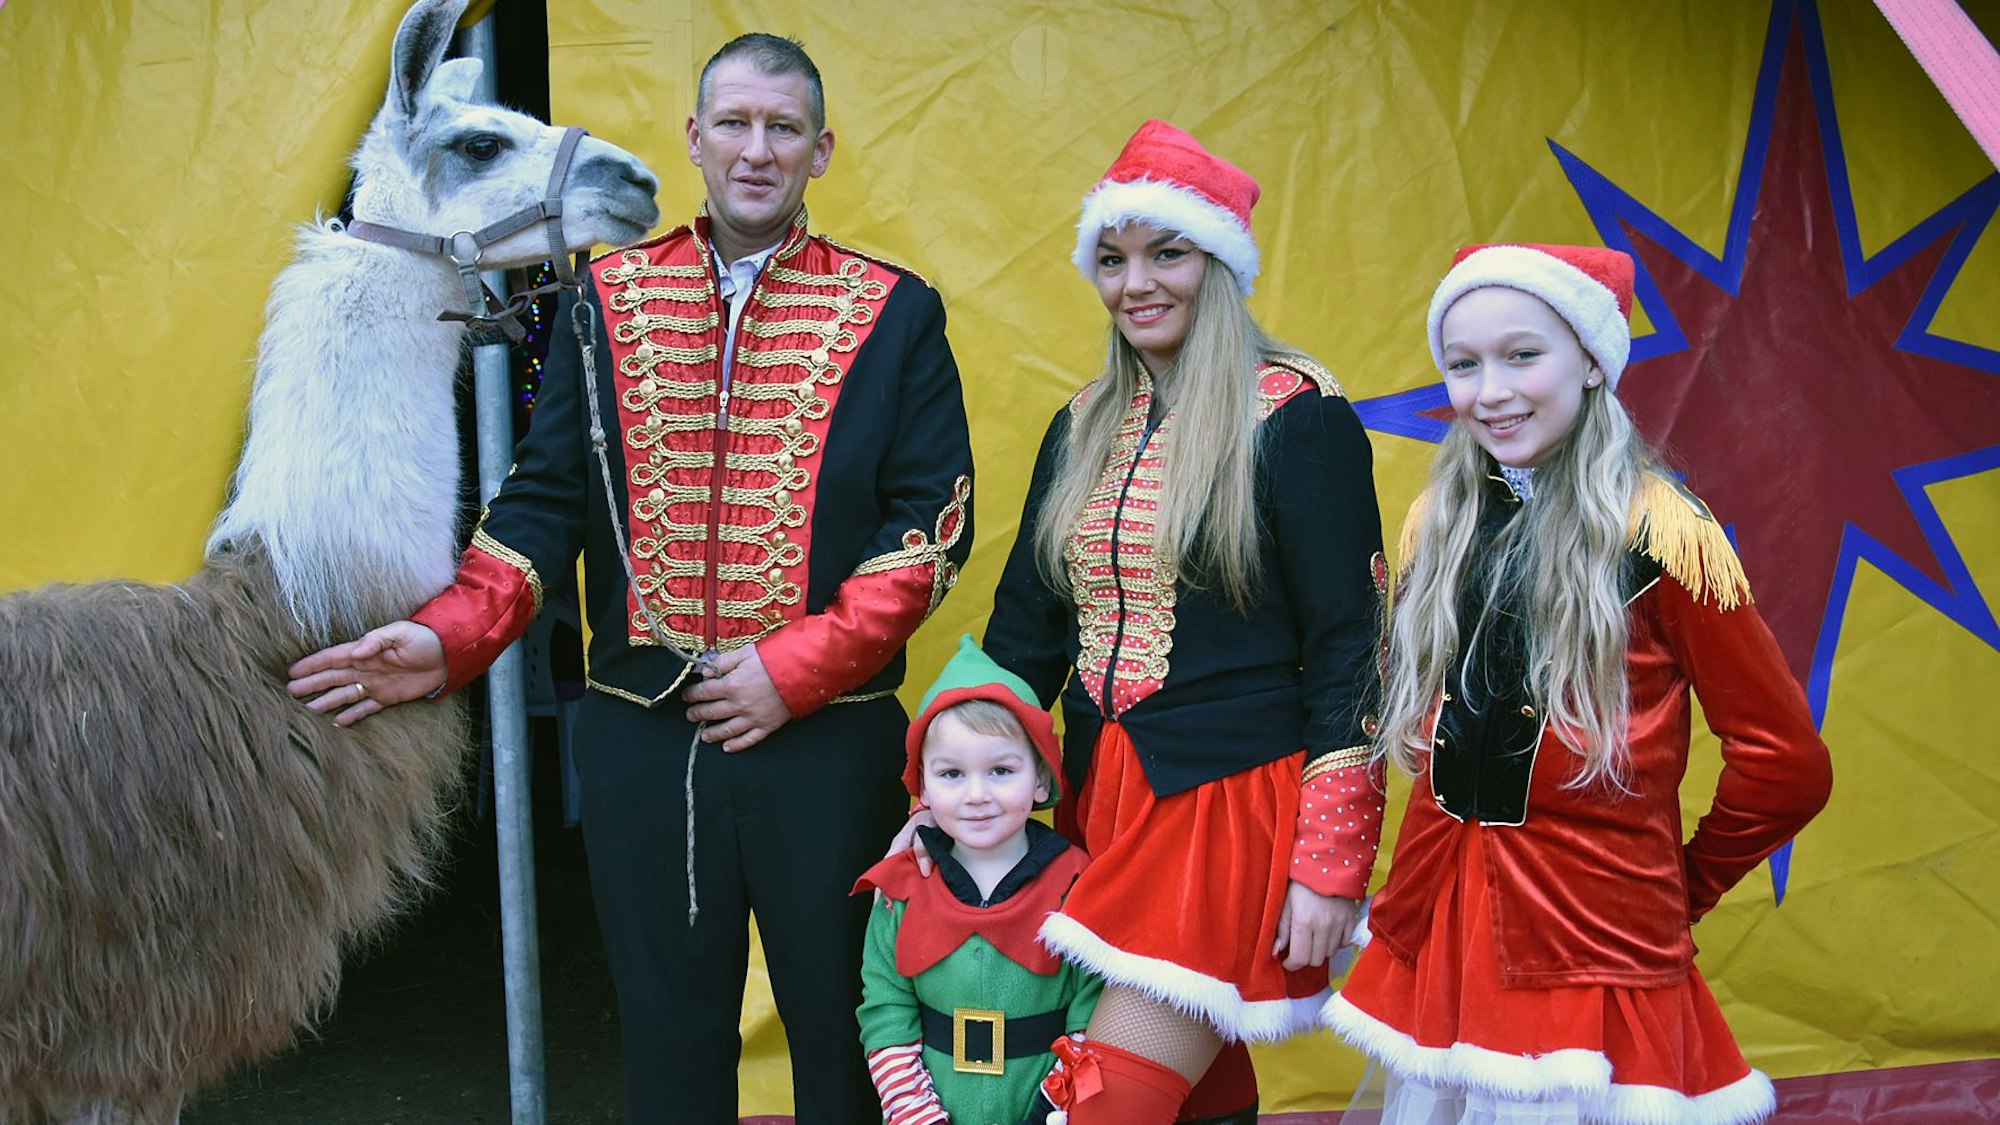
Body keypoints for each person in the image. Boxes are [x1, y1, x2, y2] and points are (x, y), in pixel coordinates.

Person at [287, 34, 973, 1125]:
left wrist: (789, 670)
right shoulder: (605, 300)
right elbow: (541, 505)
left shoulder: (894, 311)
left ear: (821, 150)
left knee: (849, 1044)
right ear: (695, 139)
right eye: (734, 125)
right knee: (664, 1048)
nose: (757, 151)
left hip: (827, 742)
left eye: (781, 129)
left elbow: (928, 530)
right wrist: (446, 637)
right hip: (639, 740)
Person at [926, 119, 1386, 1124]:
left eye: (1165, 253)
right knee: (1194, 1093)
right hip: (1102, 802)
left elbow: (1352, 648)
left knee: (1103, 1102)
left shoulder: (1297, 415)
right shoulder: (1082, 420)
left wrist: (1330, 863)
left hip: (1228, 807)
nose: (1135, 282)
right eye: (1112, 258)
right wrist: (944, 782)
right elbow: (1022, 635)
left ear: (1215, 262)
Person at [1322, 243, 1834, 1124]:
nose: (1491, 390)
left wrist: (1680, 887)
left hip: (1588, 949)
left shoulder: (1661, 533)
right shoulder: (1440, 520)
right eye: (1463, 363)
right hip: (1444, 935)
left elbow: (1787, 763)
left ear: (1594, 360)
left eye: (1523, 354)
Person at [854, 635, 1103, 1125]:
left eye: (1001, 770)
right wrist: (916, 1115)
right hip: (932, 1108)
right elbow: (885, 1008)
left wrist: (1055, 1110)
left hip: (1048, 1109)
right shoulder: (899, 888)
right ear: (922, 786)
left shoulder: (1079, 882)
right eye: (951, 775)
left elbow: (1092, 1014)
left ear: (1040, 779)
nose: (976, 794)